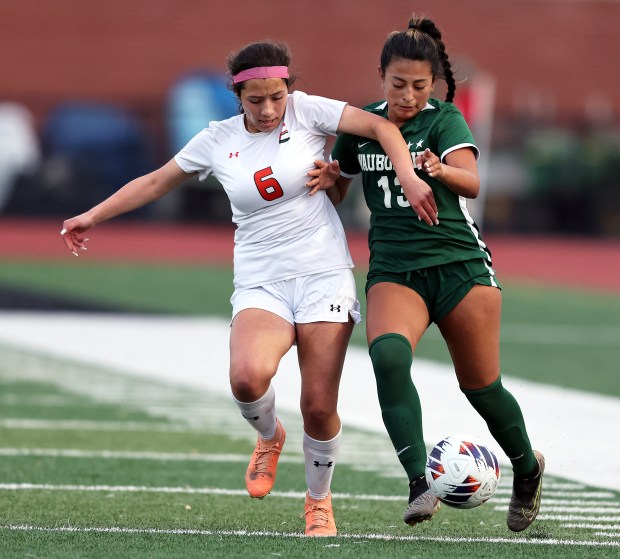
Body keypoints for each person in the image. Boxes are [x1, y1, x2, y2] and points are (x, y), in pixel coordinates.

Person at [60, 40, 438, 537]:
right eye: (255, 99)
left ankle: (318, 502)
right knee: (246, 377)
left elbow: (382, 126)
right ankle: (269, 436)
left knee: (319, 405)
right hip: (261, 277)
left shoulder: (307, 112)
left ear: (289, 88)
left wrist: (407, 176)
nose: (268, 109)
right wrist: (93, 215)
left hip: (323, 271)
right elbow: (156, 182)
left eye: (276, 97)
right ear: (237, 95)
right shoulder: (216, 140)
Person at [309, 16, 544, 533]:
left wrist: (438, 170)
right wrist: (330, 179)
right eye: (398, 84)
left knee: (480, 386)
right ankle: (419, 483)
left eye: (420, 85)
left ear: (434, 84)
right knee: (388, 356)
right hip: (395, 268)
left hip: (459, 266)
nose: (409, 96)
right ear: (381, 76)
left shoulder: (445, 120)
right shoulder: (364, 126)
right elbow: (343, 182)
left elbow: (473, 183)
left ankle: (527, 469)